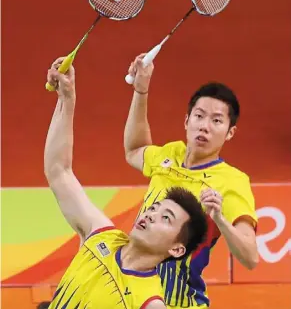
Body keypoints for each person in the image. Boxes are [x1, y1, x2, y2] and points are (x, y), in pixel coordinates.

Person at [44, 58, 208, 309]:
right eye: (155, 209)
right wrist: (66, 99)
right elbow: (59, 172)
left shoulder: (149, 303)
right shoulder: (100, 235)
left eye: (166, 218)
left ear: (176, 249)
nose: (151, 215)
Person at [124, 54, 259, 308]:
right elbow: (134, 151)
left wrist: (220, 218)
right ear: (187, 120)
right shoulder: (171, 154)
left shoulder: (231, 181)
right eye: (199, 116)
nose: (204, 126)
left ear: (230, 133)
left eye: (216, 121)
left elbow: (251, 257)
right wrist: (141, 92)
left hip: (176, 301)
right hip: (132, 294)